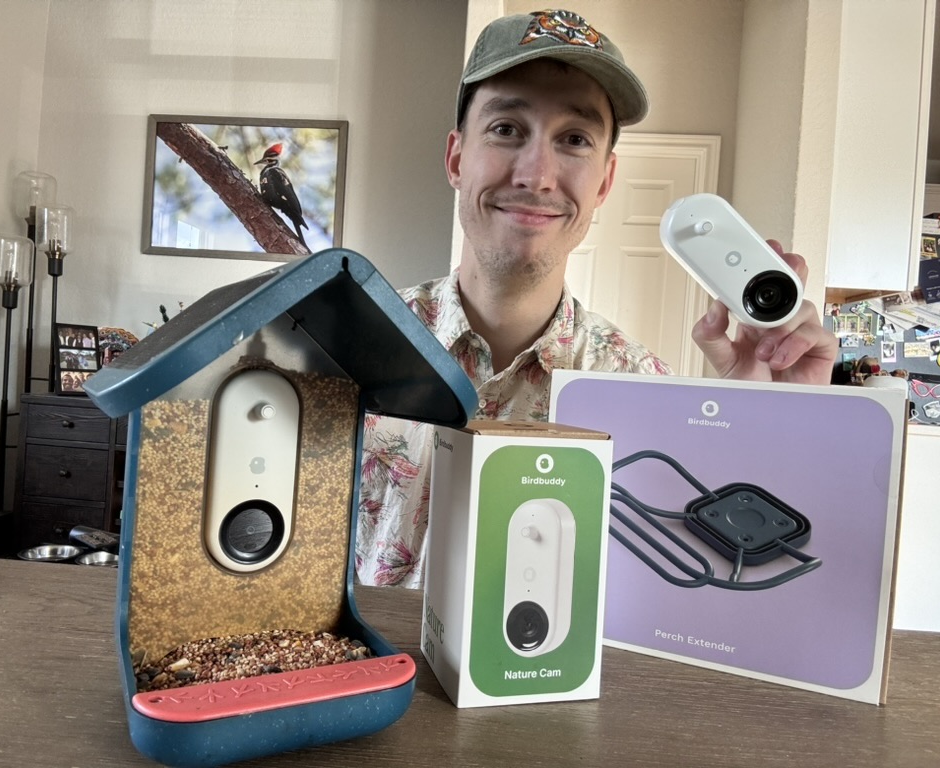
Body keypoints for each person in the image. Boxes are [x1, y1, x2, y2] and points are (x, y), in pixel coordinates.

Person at [355, 8, 838, 588]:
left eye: (575, 140)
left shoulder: (645, 392)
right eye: (507, 129)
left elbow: (713, 589)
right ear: (457, 158)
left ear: (605, 182)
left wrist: (777, 419)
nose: (537, 174)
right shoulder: (347, 349)